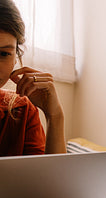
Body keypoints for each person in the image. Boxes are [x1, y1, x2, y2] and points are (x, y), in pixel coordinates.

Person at [0, 0, 66, 156]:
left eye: (3, 54)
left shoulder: (21, 110)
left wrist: (55, 116)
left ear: (15, 58)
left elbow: (52, 179)